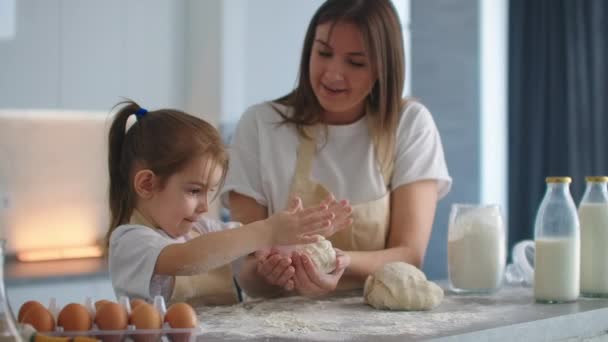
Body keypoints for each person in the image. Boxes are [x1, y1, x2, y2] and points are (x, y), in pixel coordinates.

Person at [222, 0, 452, 298]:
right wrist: (268, 271)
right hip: (276, 323)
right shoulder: (259, 125)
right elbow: (246, 271)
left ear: (384, 66)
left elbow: (409, 256)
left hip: (375, 323)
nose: (333, 74)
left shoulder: (409, 125)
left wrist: (334, 261)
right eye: (323, 53)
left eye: (355, 62)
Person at [106, 100, 351, 306]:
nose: (204, 207)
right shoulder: (129, 241)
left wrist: (303, 236)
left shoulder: (202, 230)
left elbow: (251, 246)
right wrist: (267, 230)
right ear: (147, 184)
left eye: (209, 192)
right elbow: (186, 259)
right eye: (194, 191)